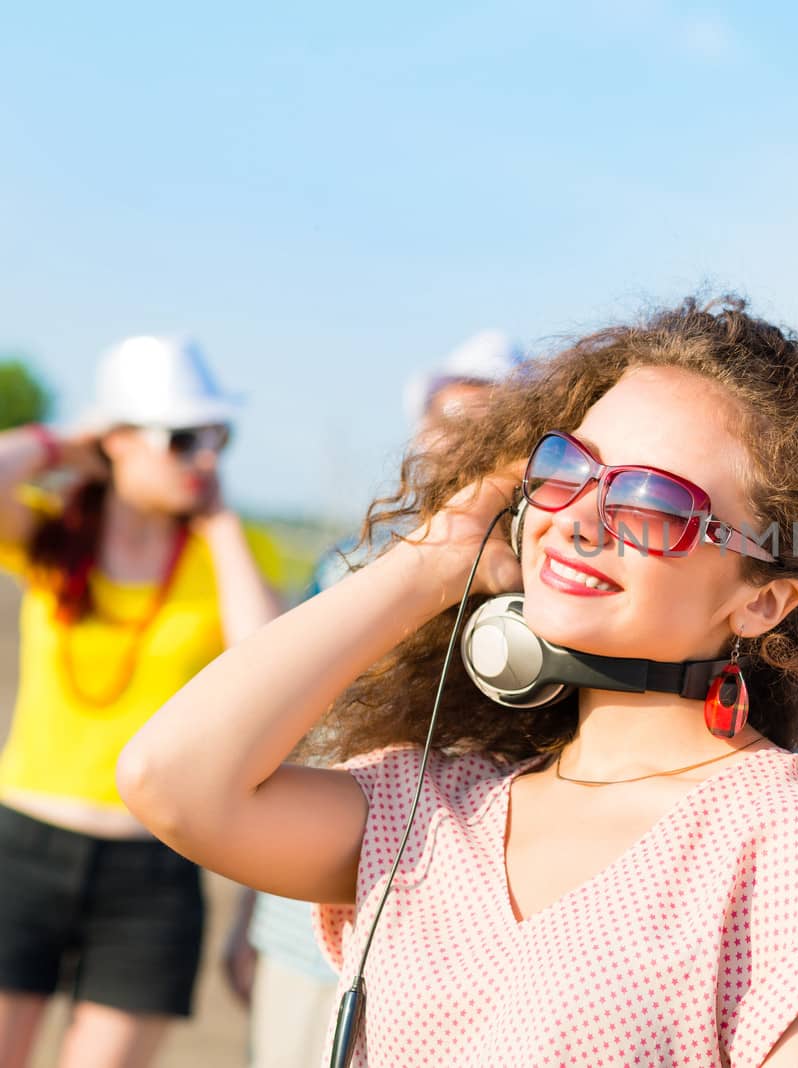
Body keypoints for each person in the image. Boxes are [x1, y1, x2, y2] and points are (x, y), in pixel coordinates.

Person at [119, 298, 798, 1066]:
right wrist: (436, 559)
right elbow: (172, 780)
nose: (578, 518)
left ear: (762, 598)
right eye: (568, 467)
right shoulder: (433, 812)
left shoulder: (792, 849)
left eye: (652, 500)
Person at [221, 327, 527, 1068]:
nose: (457, 445)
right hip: (301, 926)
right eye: (445, 423)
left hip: (445, 937)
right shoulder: (349, 565)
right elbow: (288, 731)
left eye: (486, 426)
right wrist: (244, 910)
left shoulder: (537, 591)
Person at [0, 336, 280, 1068]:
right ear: (116, 441)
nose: (206, 459)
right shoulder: (55, 537)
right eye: (182, 439)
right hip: (20, 844)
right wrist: (63, 442)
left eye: (219, 438)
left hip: (152, 870)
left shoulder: (229, 554)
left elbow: (267, 671)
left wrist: (217, 522)